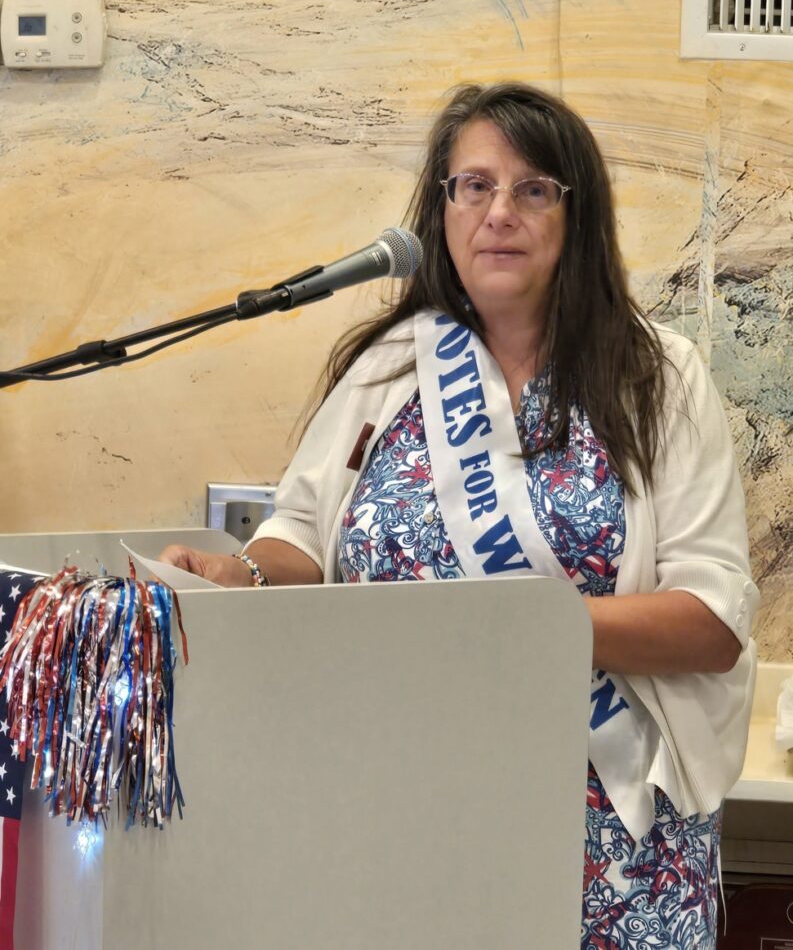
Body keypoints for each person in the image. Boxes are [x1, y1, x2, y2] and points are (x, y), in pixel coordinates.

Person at [161, 82, 759, 946]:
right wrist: (244, 571)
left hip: (607, 848)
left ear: (574, 215)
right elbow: (299, 534)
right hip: (399, 822)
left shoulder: (655, 378)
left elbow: (710, 622)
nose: (498, 211)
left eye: (532, 188)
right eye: (472, 185)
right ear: (440, 210)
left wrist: (503, 627)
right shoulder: (390, 367)